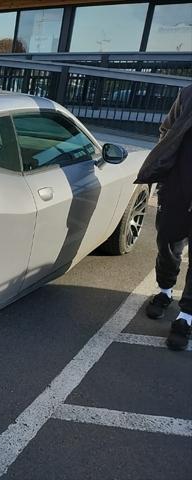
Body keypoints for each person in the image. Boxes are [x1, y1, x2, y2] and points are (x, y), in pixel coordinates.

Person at [136, 84, 192, 351]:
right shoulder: (188, 94)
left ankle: (186, 317)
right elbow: (166, 130)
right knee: (168, 244)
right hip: (178, 188)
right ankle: (165, 292)